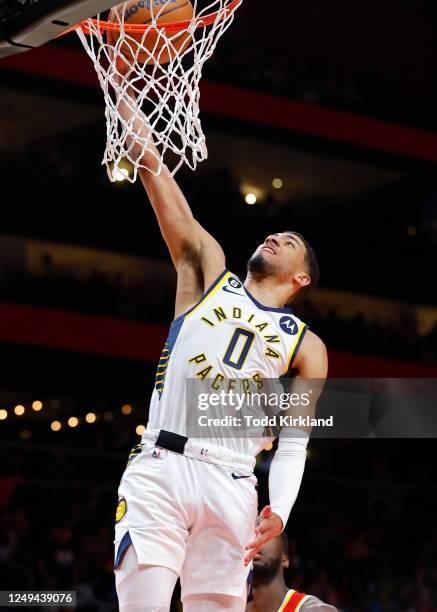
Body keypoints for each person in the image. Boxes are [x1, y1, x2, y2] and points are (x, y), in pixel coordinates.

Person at [111, 80, 328, 612]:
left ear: (301, 279)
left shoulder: (306, 346)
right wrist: (120, 87)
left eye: (291, 243)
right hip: (162, 461)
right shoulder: (209, 270)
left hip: (233, 482)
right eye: (275, 233)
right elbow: (158, 177)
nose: (275, 237)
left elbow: (295, 441)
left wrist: (280, 507)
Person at [246, 534, 338, 612]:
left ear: (284, 560)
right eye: (251, 535)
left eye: (266, 535)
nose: (256, 541)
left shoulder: (315, 610)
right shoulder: (233, 606)